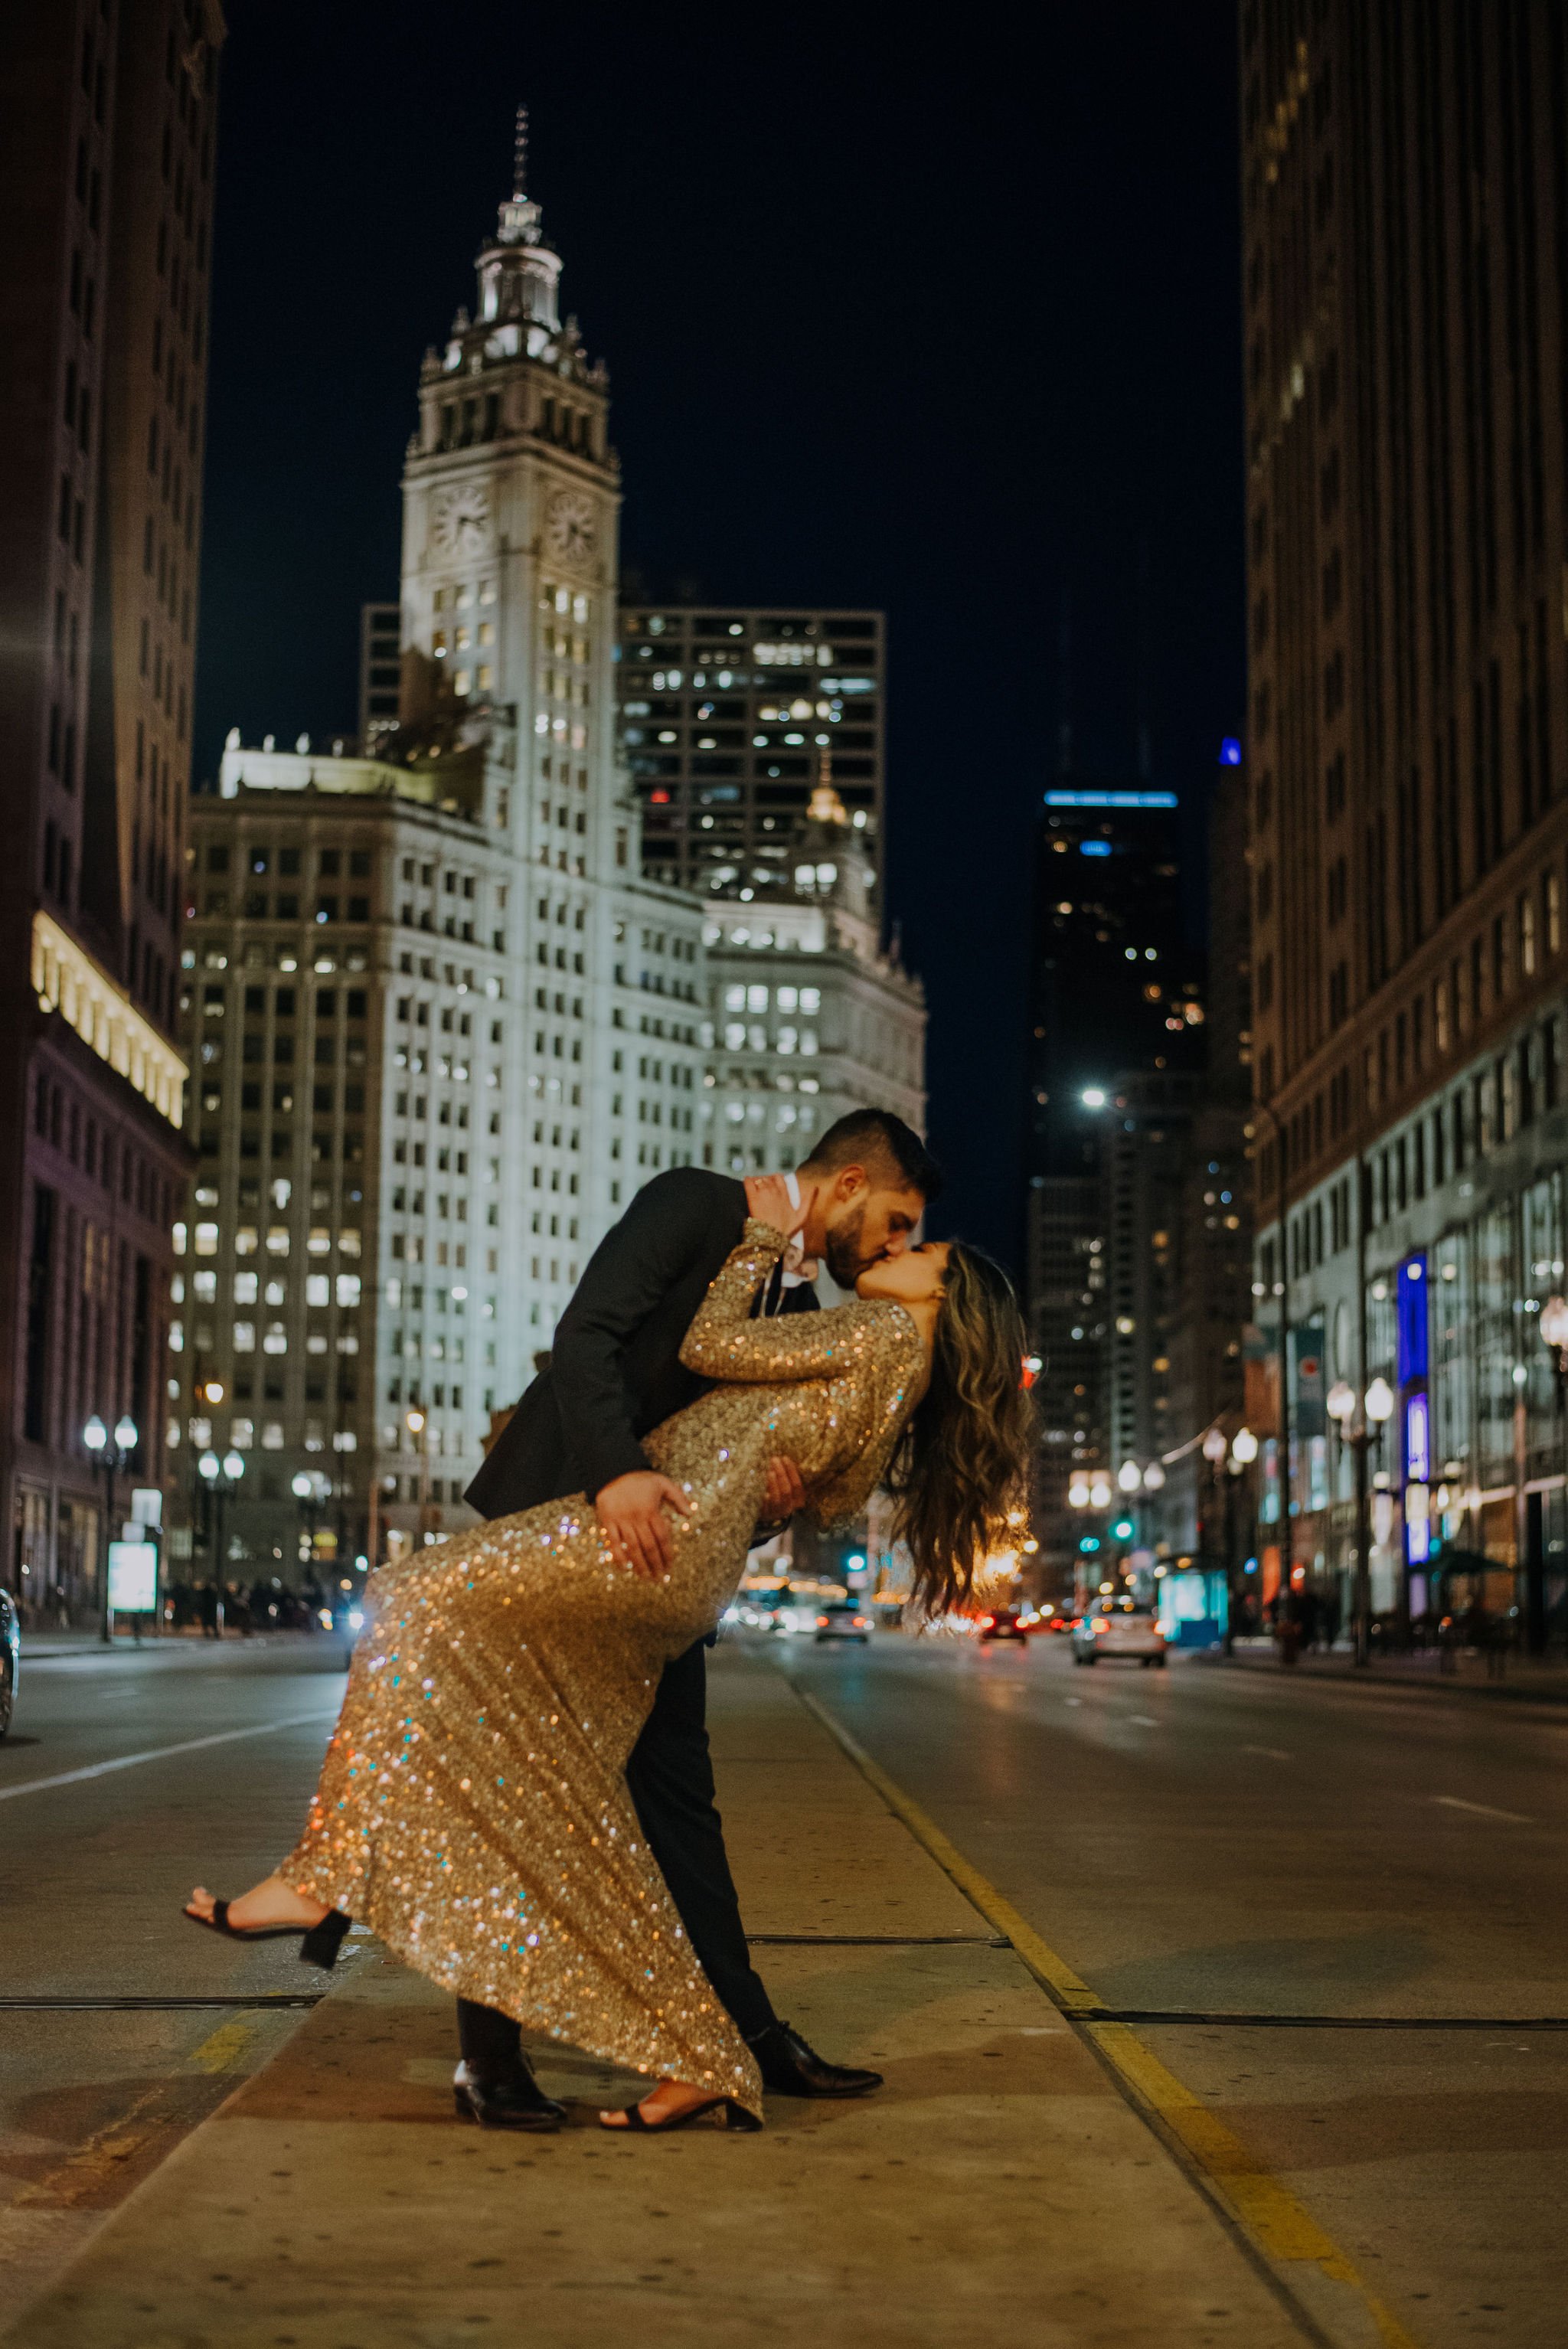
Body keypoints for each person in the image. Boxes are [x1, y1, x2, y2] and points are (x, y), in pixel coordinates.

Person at [185, 1167, 1030, 2136]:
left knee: (411, 1602)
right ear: (849, 1182)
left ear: (940, 1294)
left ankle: (329, 1888)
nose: (894, 1246)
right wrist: (775, 1484)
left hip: (648, 1535)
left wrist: (757, 1260)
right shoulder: (731, 1234)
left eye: (916, 1243)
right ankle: (697, 2052)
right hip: (662, 1545)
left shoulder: (860, 1321)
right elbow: (805, 1476)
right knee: (556, 1786)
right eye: (900, 1224)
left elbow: (708, 1349)